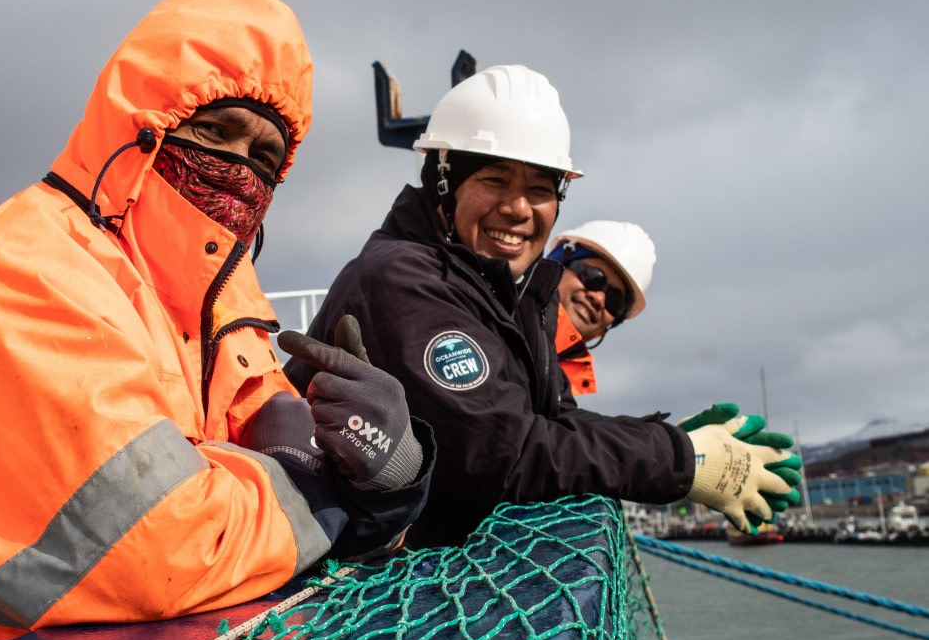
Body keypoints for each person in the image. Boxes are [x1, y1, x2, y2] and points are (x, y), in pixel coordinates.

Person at [0, 0, 433, 640]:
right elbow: (159, 546)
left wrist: (392, 475)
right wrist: (331, 494)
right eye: (217, 130)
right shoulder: (21, 274)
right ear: (143, 119)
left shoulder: (228, 310)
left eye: (267, 155)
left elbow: (289, 492)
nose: (242, 167)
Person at [284, 63, 802, 549]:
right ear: (443, 181)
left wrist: (670, 441)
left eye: (539, 189)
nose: (517, 208)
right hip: (353, 578)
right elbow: (503, 453)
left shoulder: (503, 290)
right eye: (494, 180)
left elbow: (552, 421)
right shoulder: (405, 280)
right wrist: (681, 462)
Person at [544, 220, 656, 401]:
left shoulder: (559, 391)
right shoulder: (494, 322)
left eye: (614, 301)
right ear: (556, 266)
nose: (599, 298)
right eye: (593, 278)